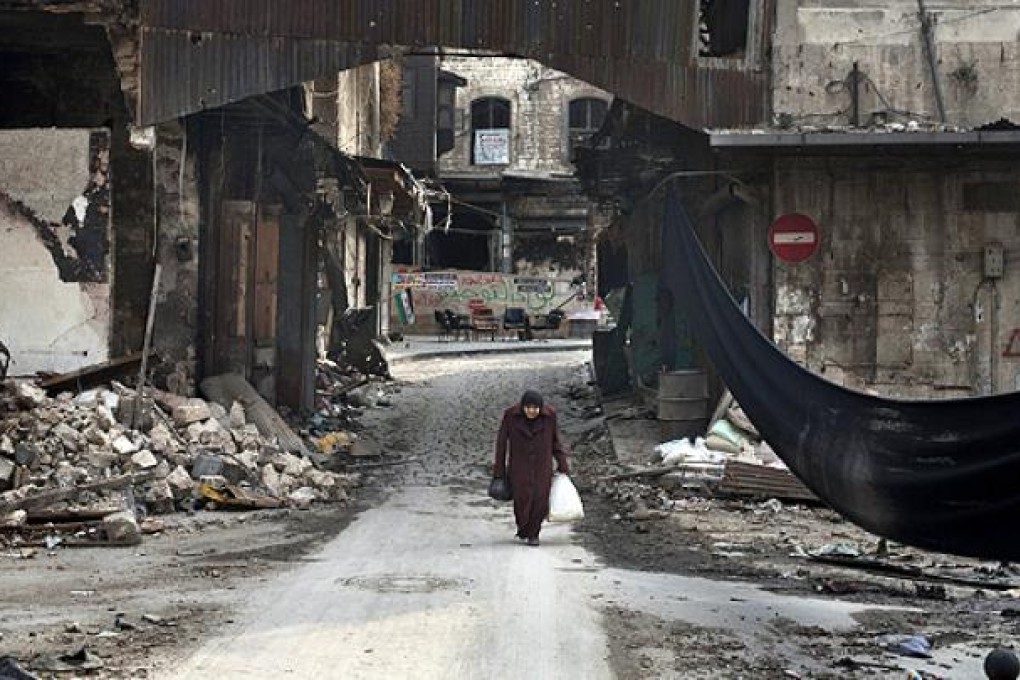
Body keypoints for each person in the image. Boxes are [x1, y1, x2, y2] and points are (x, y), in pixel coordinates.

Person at [493, 389, 571, 546]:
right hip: (519, 465)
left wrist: (562, 463)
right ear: (523, 407)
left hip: (542, 465)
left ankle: (534, 533)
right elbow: (502, 443)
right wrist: (499, 471)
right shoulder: (511, 416)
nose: (532, 411)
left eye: (535, 408)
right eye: (528, 408)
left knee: (540, 499)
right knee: (522, 498)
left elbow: (555, 441)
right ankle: (523, 527)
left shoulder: (549, 416)